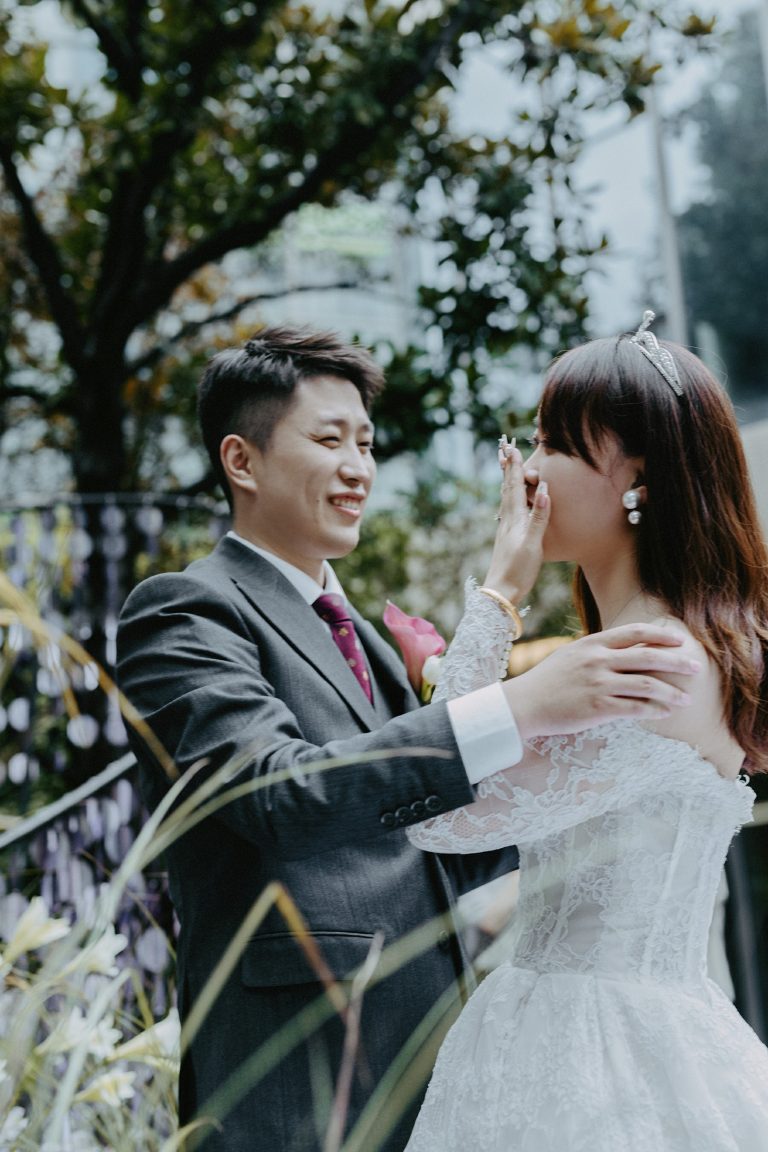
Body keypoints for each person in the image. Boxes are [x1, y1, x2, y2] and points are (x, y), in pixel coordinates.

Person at [116, 326, 699, 1152]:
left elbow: (433, 843)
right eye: (330, 440)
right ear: (241, 461)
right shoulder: (184, 611)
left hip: (437, 1059)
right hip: (299, 1074)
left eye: (366, 443)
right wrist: (521, 707)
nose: (359, 467)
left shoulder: (362, 637)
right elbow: (277, 795)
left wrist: (598, 782)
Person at [404, 311, 768, 1152]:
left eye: (554, 444)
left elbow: (438, 812)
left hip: (604, 1052)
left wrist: (499, 594)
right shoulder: (641, 650)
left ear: (638, 475)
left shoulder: (658, 661)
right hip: (581, 1026)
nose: (528, 472)